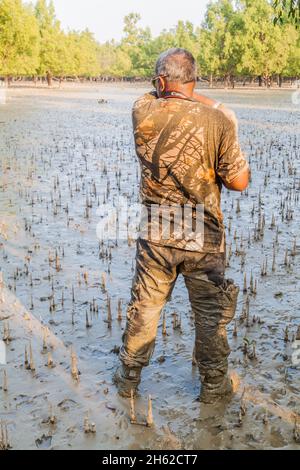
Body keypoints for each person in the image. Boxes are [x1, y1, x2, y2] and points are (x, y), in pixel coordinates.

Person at [113, 48, 249, 404]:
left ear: (159, 82)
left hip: (157, 232)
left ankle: (128, 379)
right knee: (209, 315)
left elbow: (162, 92)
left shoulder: (141, 110)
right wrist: (218, 109)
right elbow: (238, 182)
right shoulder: (218, 121)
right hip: (202, 236)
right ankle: (215, 386)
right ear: (194, 80)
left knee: (145, 307)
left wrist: (181, 93)